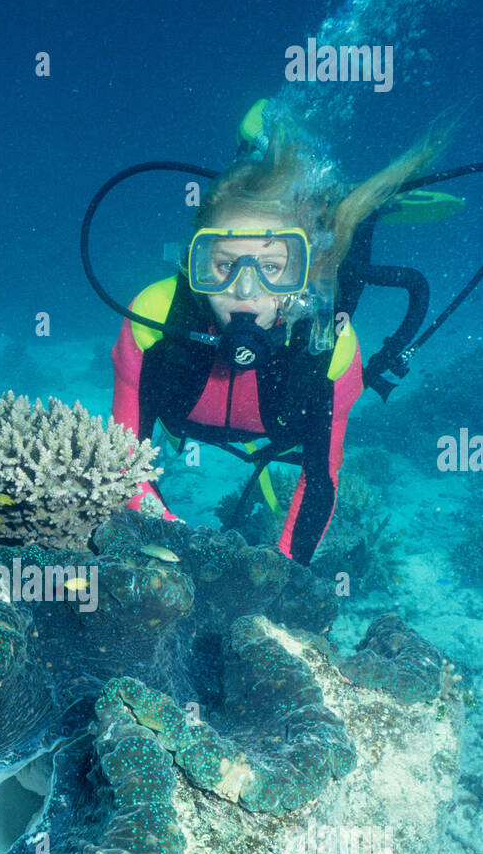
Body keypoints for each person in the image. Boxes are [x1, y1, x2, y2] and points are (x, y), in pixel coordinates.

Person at [111, 124, 445, 566]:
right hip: (196, 431)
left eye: (273, 267)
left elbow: (320, 478)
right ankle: (258, 147)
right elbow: (123, 459)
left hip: (279, 419)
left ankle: (357, 210)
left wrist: (282, 571)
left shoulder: (331, 348)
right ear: (194, 264)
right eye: (223, 265)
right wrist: (174, 548)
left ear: (305, 275)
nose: (245, 290)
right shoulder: (152, 320)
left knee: (352, 244)